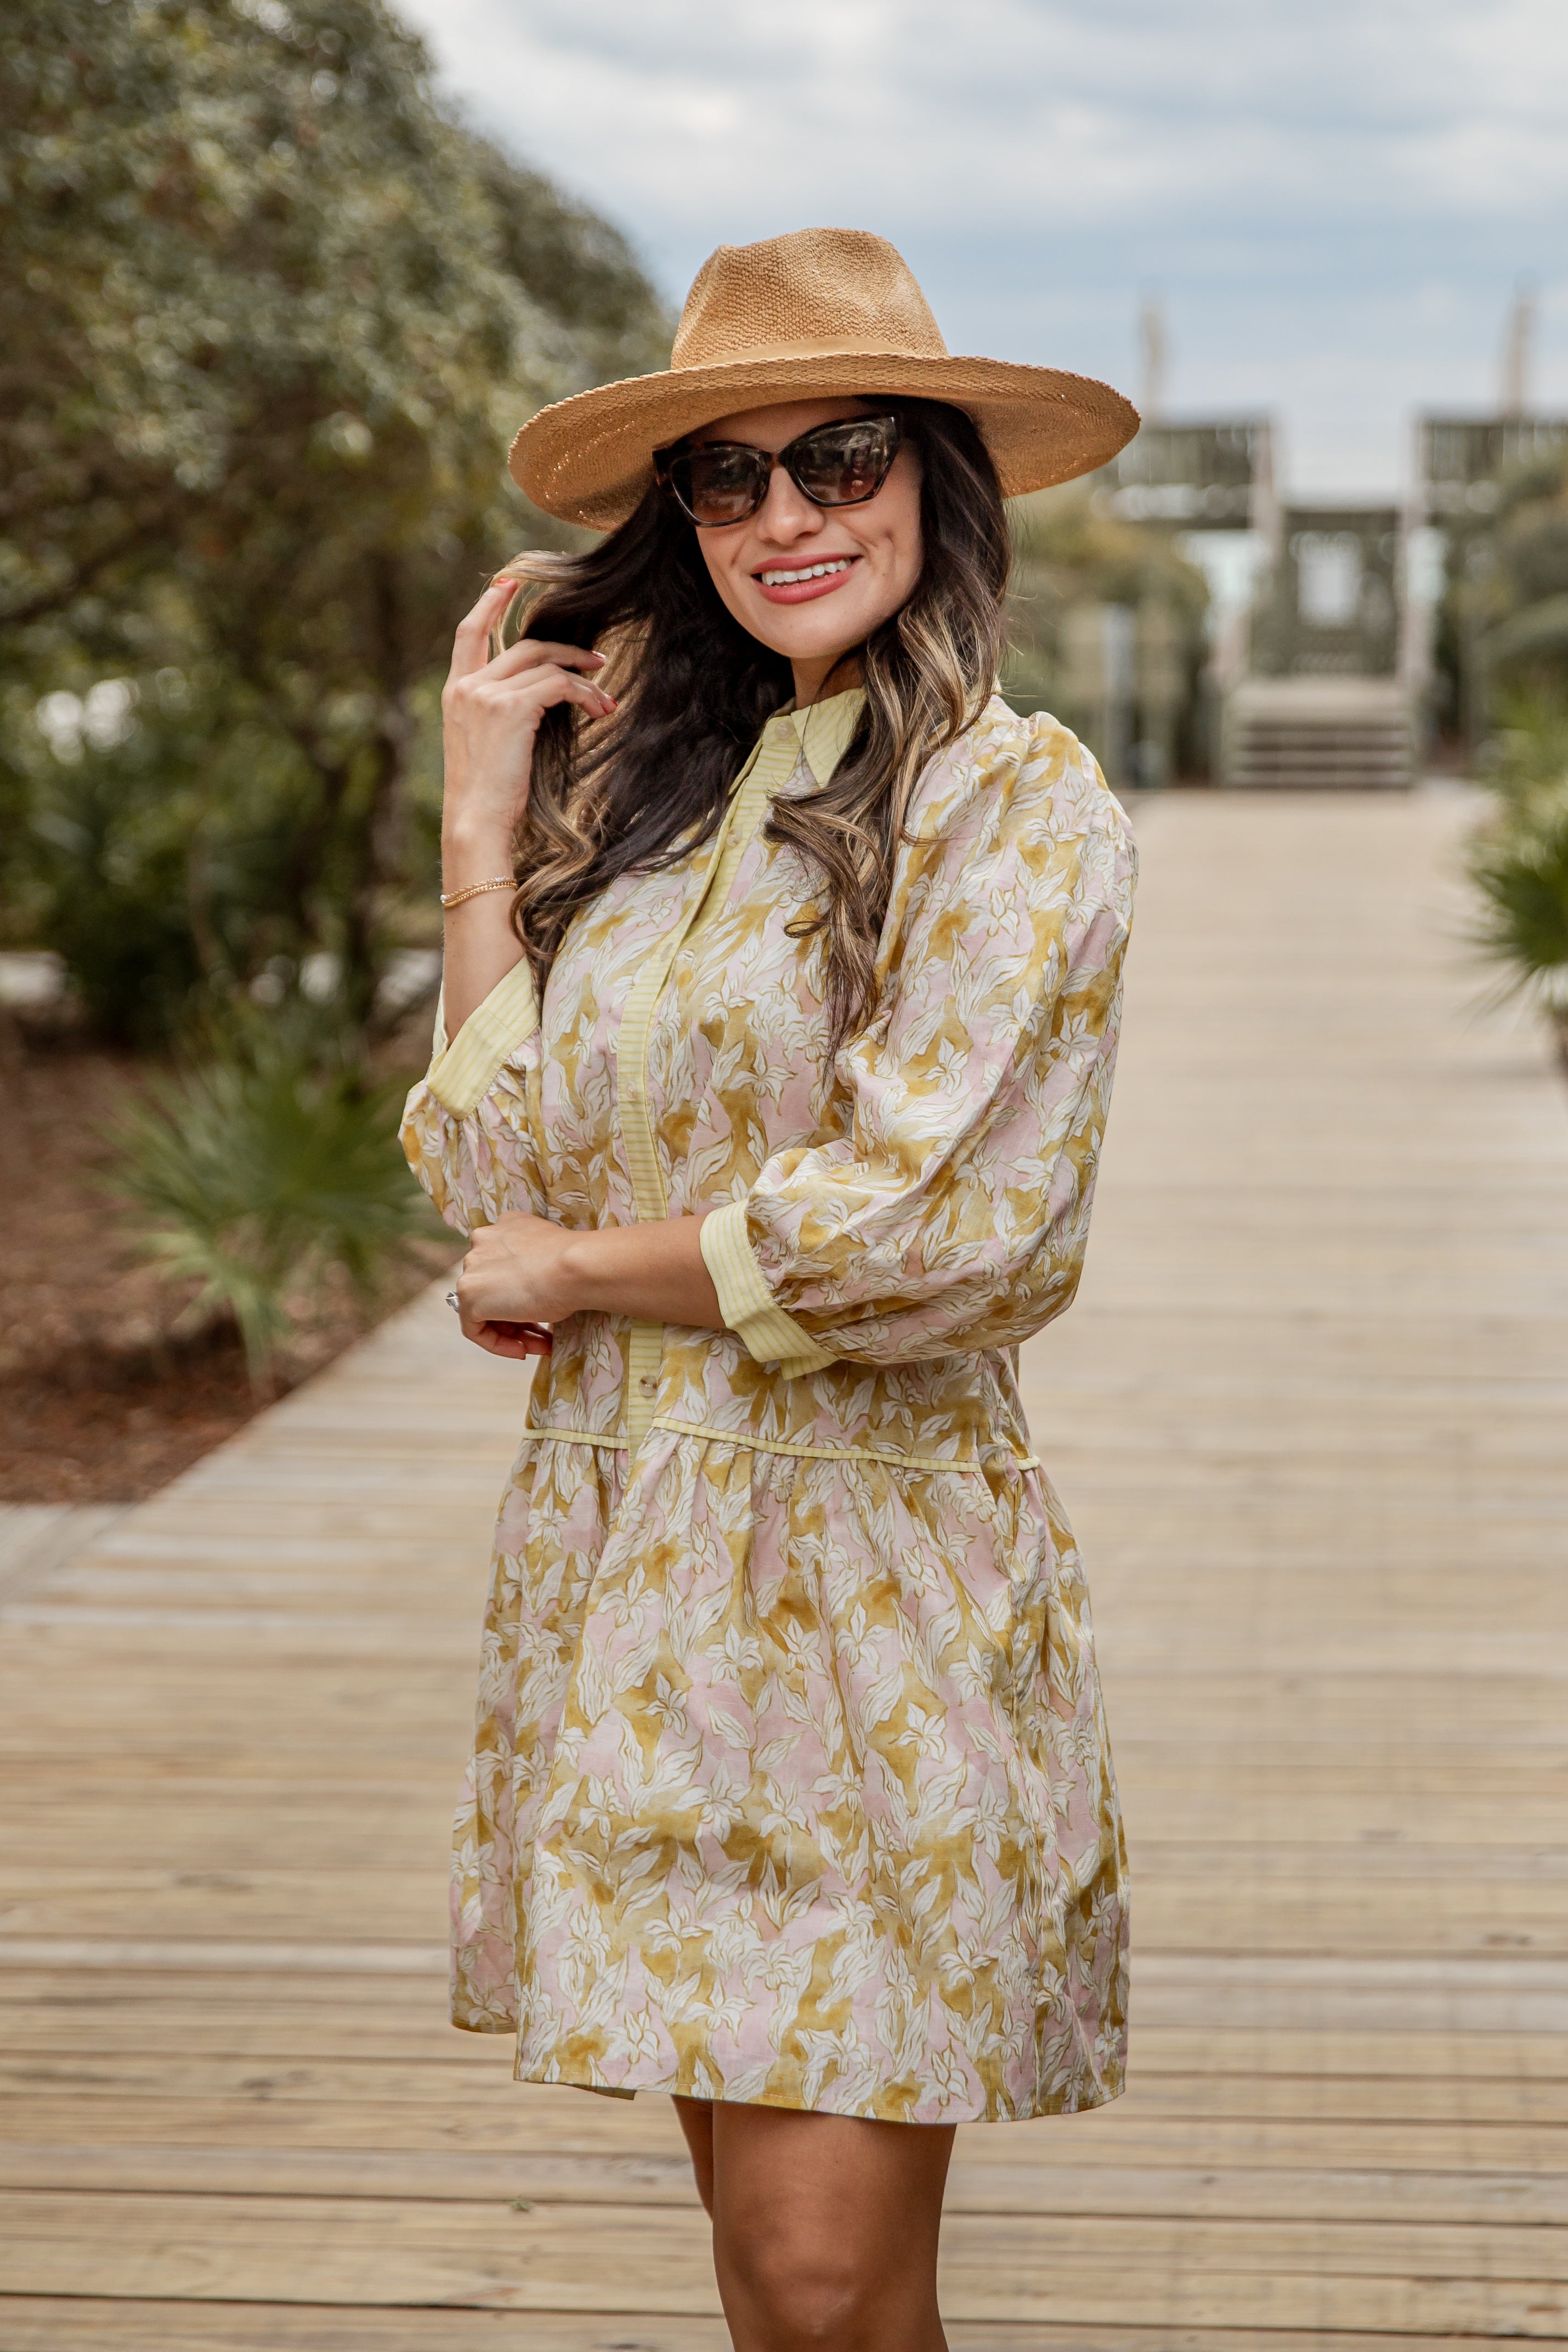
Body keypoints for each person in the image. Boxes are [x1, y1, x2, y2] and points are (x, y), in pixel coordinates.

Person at [402, 226, 1139, 2352]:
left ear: (934, 477)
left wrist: (585, 1265)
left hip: (869, 1586)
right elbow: (492, 1157)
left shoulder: (1013, 801)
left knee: (828, 2279)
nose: (784, 515)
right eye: (727, 479)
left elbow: (940, 1220)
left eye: (835, 457)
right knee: (764, 2273)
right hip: (634, 1571)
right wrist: (483, 817)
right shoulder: (668, 812)